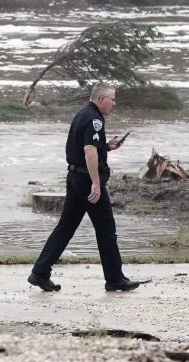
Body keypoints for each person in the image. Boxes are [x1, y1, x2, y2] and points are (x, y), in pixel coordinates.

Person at [27, 82, 147, 293]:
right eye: (112, 99)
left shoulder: (83, 114)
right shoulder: (95, 119)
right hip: (86, 181)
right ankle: (115, 279)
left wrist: (107, 146)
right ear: (101, 99)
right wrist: (96, 184)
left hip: (75, 177)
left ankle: (40, 272)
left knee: (65, 227)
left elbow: (87, 147)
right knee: (106, 229)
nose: (114, 103)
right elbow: (89, 151)